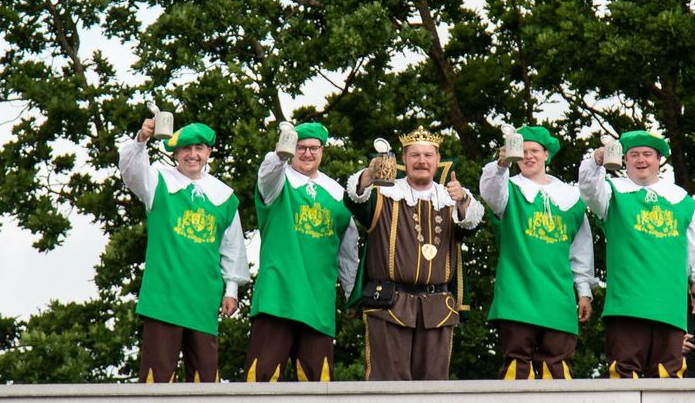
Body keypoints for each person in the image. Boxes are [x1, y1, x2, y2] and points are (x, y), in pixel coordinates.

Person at [345, 126, 484, 380]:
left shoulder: (451, 197)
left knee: (433, 388)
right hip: (389, 303)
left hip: (437, 309)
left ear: (438, 160)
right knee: (387, 386)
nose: (422, 161)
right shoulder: (383, 193)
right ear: (404, 159)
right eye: (415, 155)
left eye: (428, 155)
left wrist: (462, 199)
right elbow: (355, 199)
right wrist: (368, 174)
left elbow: (470, 225)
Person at [578, 130, 695, 378]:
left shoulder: (680, 199)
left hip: (669, 307)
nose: (641, 160)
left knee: (668, 376)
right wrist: (596, 161)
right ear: (625, 160)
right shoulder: (612, 192)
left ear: (658, 160)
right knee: (623, 374)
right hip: (627, 304)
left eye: (647, 154)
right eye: (634, 155)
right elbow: (589, 191)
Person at [119, 120, 250, 383]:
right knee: (157, 380)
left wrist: (231, 291)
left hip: (203, 300)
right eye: (186, 148)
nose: (192, 154)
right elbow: (131, 172)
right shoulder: (157, 180)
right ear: (175, 153)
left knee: (205, 382)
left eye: (199, 148)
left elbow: (233, 247)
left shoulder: (223, 195)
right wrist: (141, 140)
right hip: (164, 299)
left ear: (208, 152)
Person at [479, 126, 597, 380]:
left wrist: (584, 292)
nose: (528, 156)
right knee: (517, 366)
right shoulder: (508, 189)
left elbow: (581, 250)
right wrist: (501, 163)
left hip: (558, 295)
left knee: (556, 367)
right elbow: (490, 194)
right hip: (517, 293)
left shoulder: (571, 198)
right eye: (522, 151)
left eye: (534, 151)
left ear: (546, 154)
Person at [244, 122, 358, 382]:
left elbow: (348, 251)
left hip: (318, 300)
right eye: (301, 148)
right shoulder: (278, 180)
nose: (307, 153)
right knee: (261, 376)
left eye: (313, 148)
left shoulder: (339, 194)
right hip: (277, 296)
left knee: (318, 382)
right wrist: (280, 151)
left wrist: (352, 293)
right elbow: (266, 175)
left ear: (322, 150)